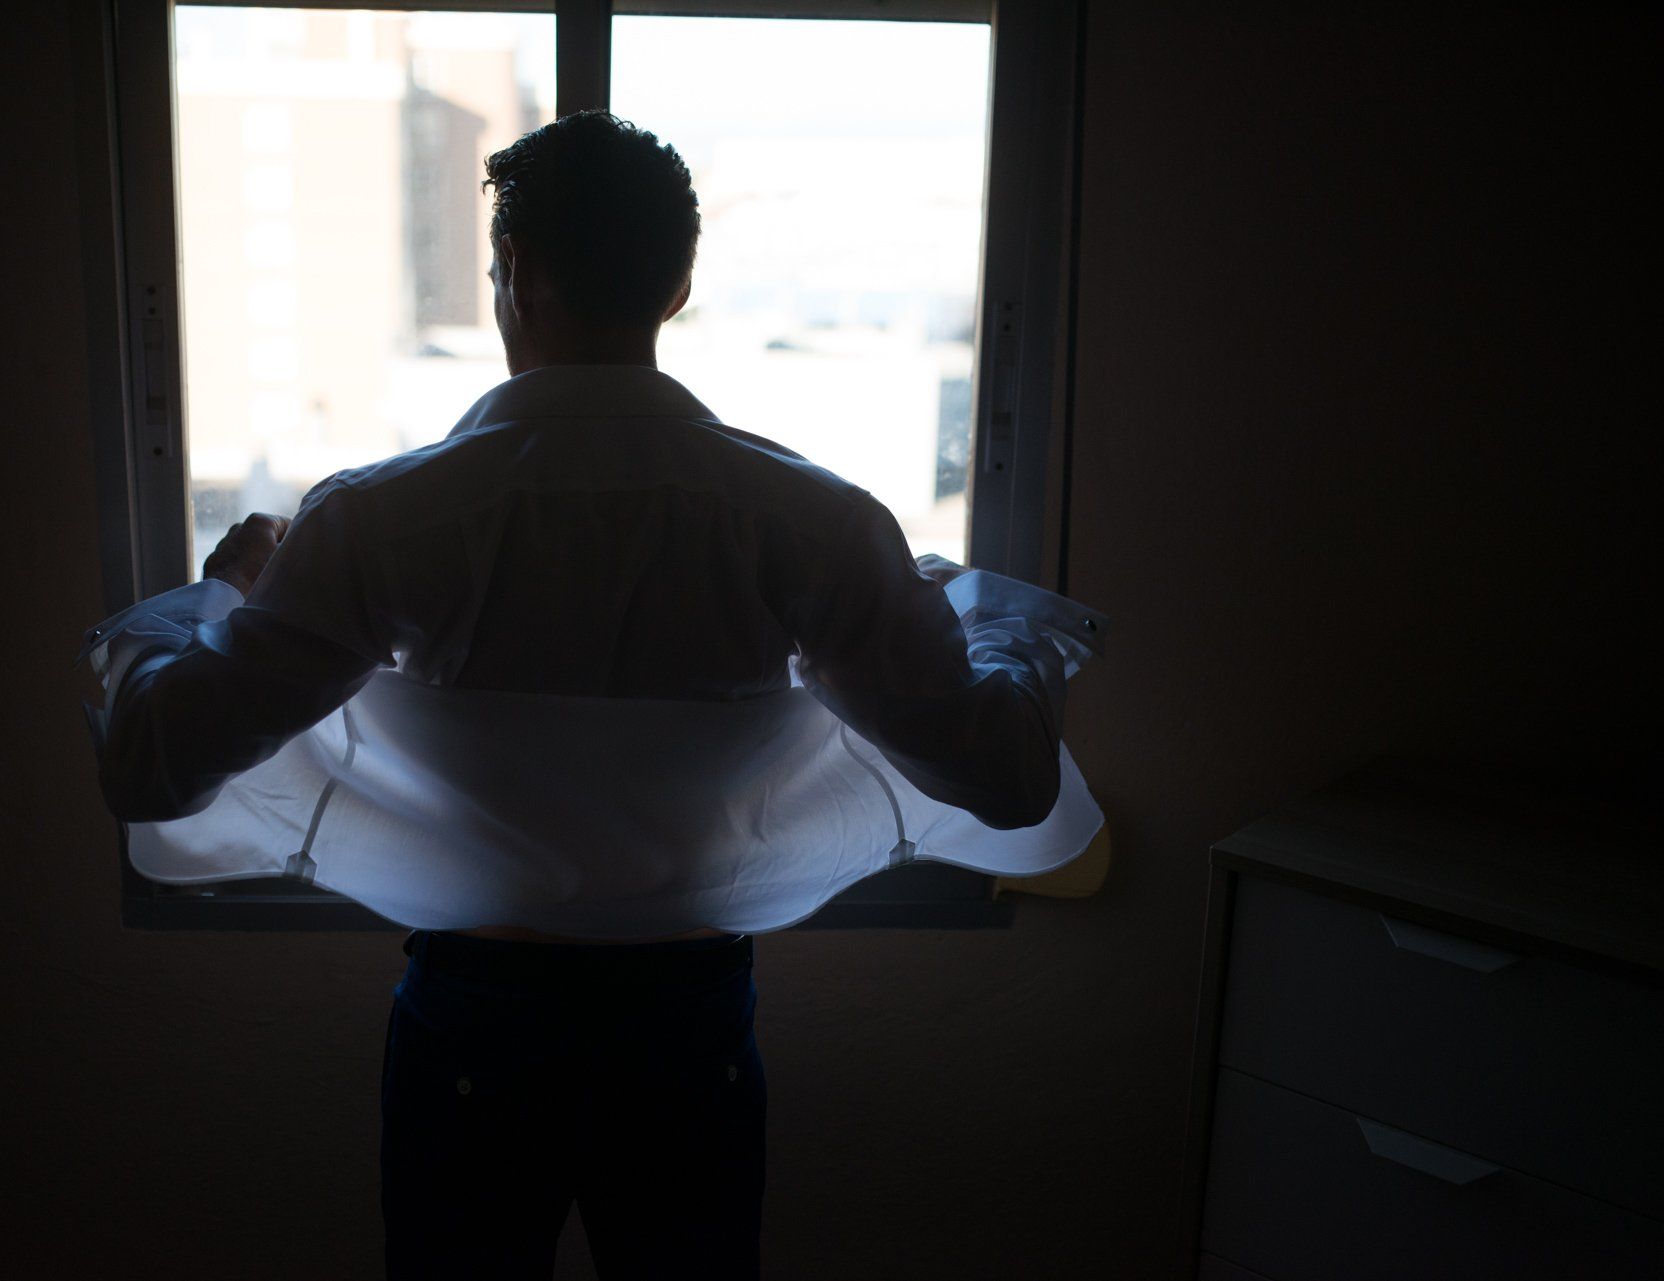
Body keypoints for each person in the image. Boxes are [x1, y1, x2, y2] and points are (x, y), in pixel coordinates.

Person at [85, 110, 1087, 1279]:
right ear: (678, 287)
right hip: (686, 1019)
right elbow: (1010, 780)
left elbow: (150, 763)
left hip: (475, 1012)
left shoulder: (378, 521)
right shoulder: (814, 521)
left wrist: (220, 596)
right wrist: (985, 615)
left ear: (515, 272)